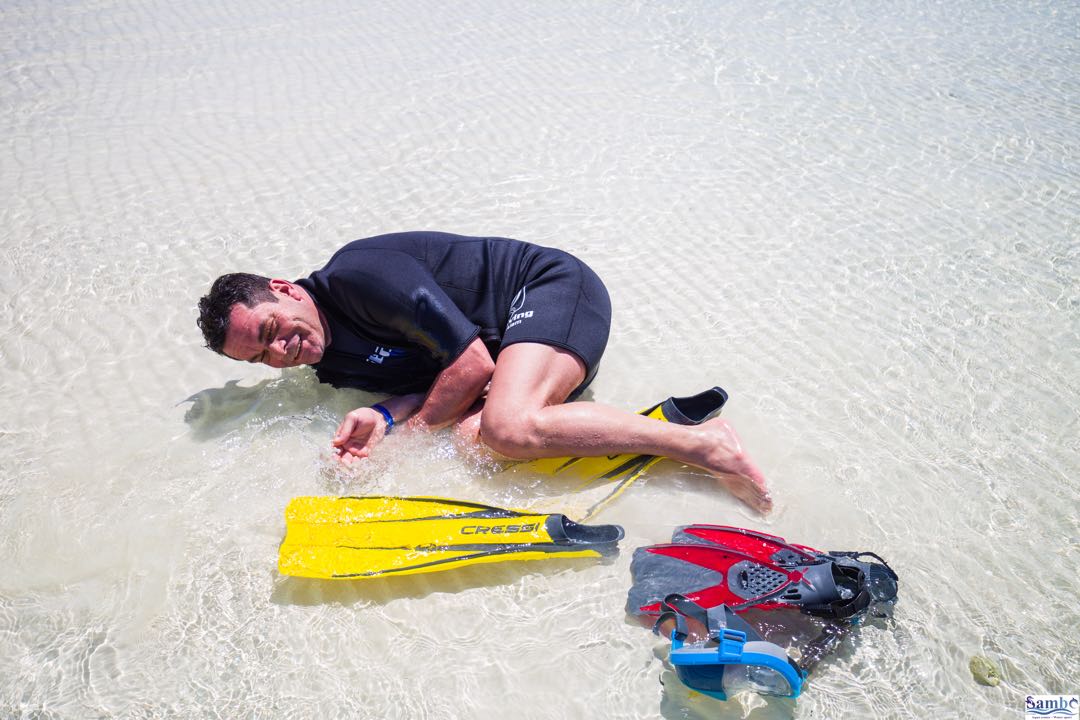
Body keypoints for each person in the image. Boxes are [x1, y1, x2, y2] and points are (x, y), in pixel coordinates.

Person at [196, 231, 771, 512]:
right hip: (500, 352)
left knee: (507, 428)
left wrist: (409, 439)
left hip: (547, 291)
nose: (281, 353)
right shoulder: (326, 359)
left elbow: (468, 365)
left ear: (283, 289)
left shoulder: (357, 276)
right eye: (262, 358)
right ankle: (615, 431)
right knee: (473, 443)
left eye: (270, 332)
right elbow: (424, 383)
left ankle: (701, 443)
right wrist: (381, 419)